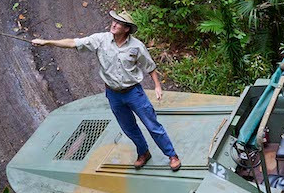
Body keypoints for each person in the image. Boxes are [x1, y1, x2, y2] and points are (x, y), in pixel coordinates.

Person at [33, 10, 181, 171]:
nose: (114, 24)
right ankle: (143, 152)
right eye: (114, 21)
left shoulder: (136, 47)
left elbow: (150, 67)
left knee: (151, 124)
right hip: (113, 94)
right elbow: (74, 43)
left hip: (134, 93)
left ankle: (172, 155)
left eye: (119, 23)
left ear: (126, 29)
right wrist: (47, 42)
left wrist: (157, 86)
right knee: (129, 127)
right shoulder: (101, 40)